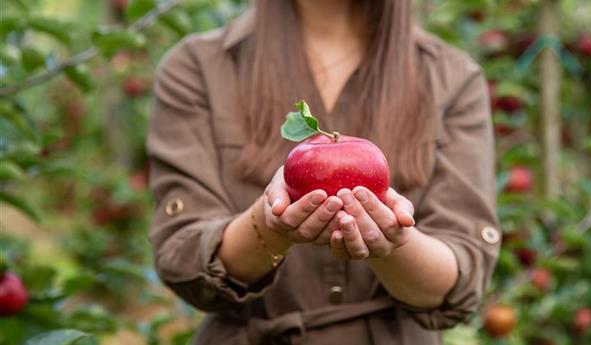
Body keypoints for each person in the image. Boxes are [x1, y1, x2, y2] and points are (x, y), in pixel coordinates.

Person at [147, 0, 500, 344]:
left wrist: (393, 244)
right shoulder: (199, 68)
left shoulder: (453, 79)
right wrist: (270, 228)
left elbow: (461, 280)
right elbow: (183, 257)